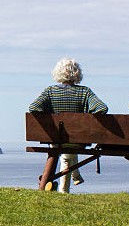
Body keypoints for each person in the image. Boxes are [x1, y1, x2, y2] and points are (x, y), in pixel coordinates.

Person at [29, 58, 108, 193]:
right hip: (78, 141)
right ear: (77, 73)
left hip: (55, 140)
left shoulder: (50, 91)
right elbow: (102, 108)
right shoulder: (85, 92)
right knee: (70, 146)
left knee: (64, 148)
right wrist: (87, 117)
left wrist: (49, 117)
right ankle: (69, 184)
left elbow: (33, 108)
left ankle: (56, 185)